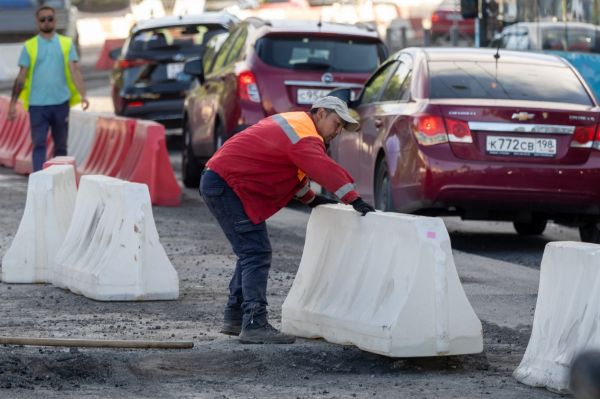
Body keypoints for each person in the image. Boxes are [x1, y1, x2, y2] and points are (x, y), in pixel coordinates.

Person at [200, 96, 375, 345]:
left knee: (250, 252)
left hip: (223, 182)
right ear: (321, 113)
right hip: (228, 185)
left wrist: (312, 200)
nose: (337, 132)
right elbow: (321, 167)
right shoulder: (304, 134)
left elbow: (292, 172)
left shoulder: (296, 126)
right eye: (337, 124)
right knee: (255, 253)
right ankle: (254, 323)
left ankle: (236, 317)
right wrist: (353, 198)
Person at [8, 5, 89, 172]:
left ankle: (61, 181)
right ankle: (39, 180)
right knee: (39, 144)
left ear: (55, 20)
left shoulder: (66, 44)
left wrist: (83, 94)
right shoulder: (29, 46)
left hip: (61, 103)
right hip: (37, 105)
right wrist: (12, 104)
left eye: (50, 19)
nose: (46, 22)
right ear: (37, 22)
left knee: (61, 146)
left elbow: (75, 71)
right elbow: (21, 76)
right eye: (43, 19)